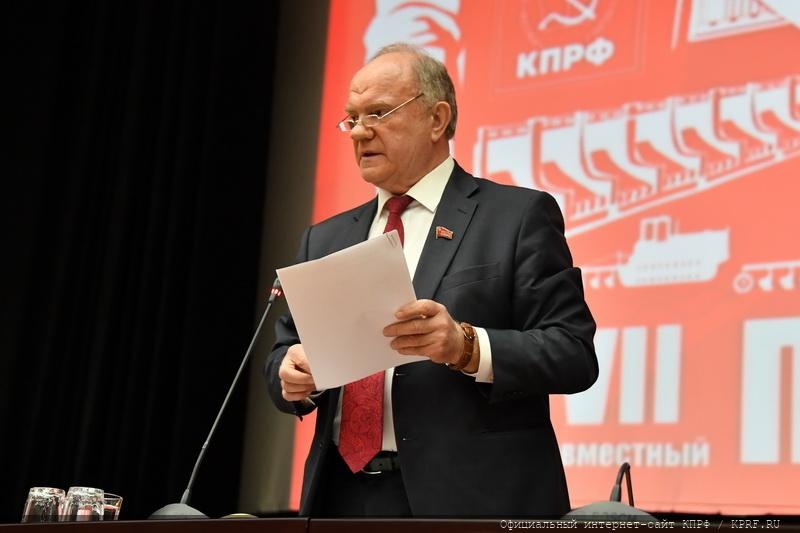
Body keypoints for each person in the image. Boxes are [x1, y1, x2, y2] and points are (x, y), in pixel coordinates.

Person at [265, 42, 598, 518]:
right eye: (352, 119)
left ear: (437, 119)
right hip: (340, 499)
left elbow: (572, 353)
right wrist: (293, 373)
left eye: (378, 113)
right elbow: (285, 351)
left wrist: (467, 347)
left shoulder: (516, 217)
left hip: (469, 502)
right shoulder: (326, 237)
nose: (359, 132)